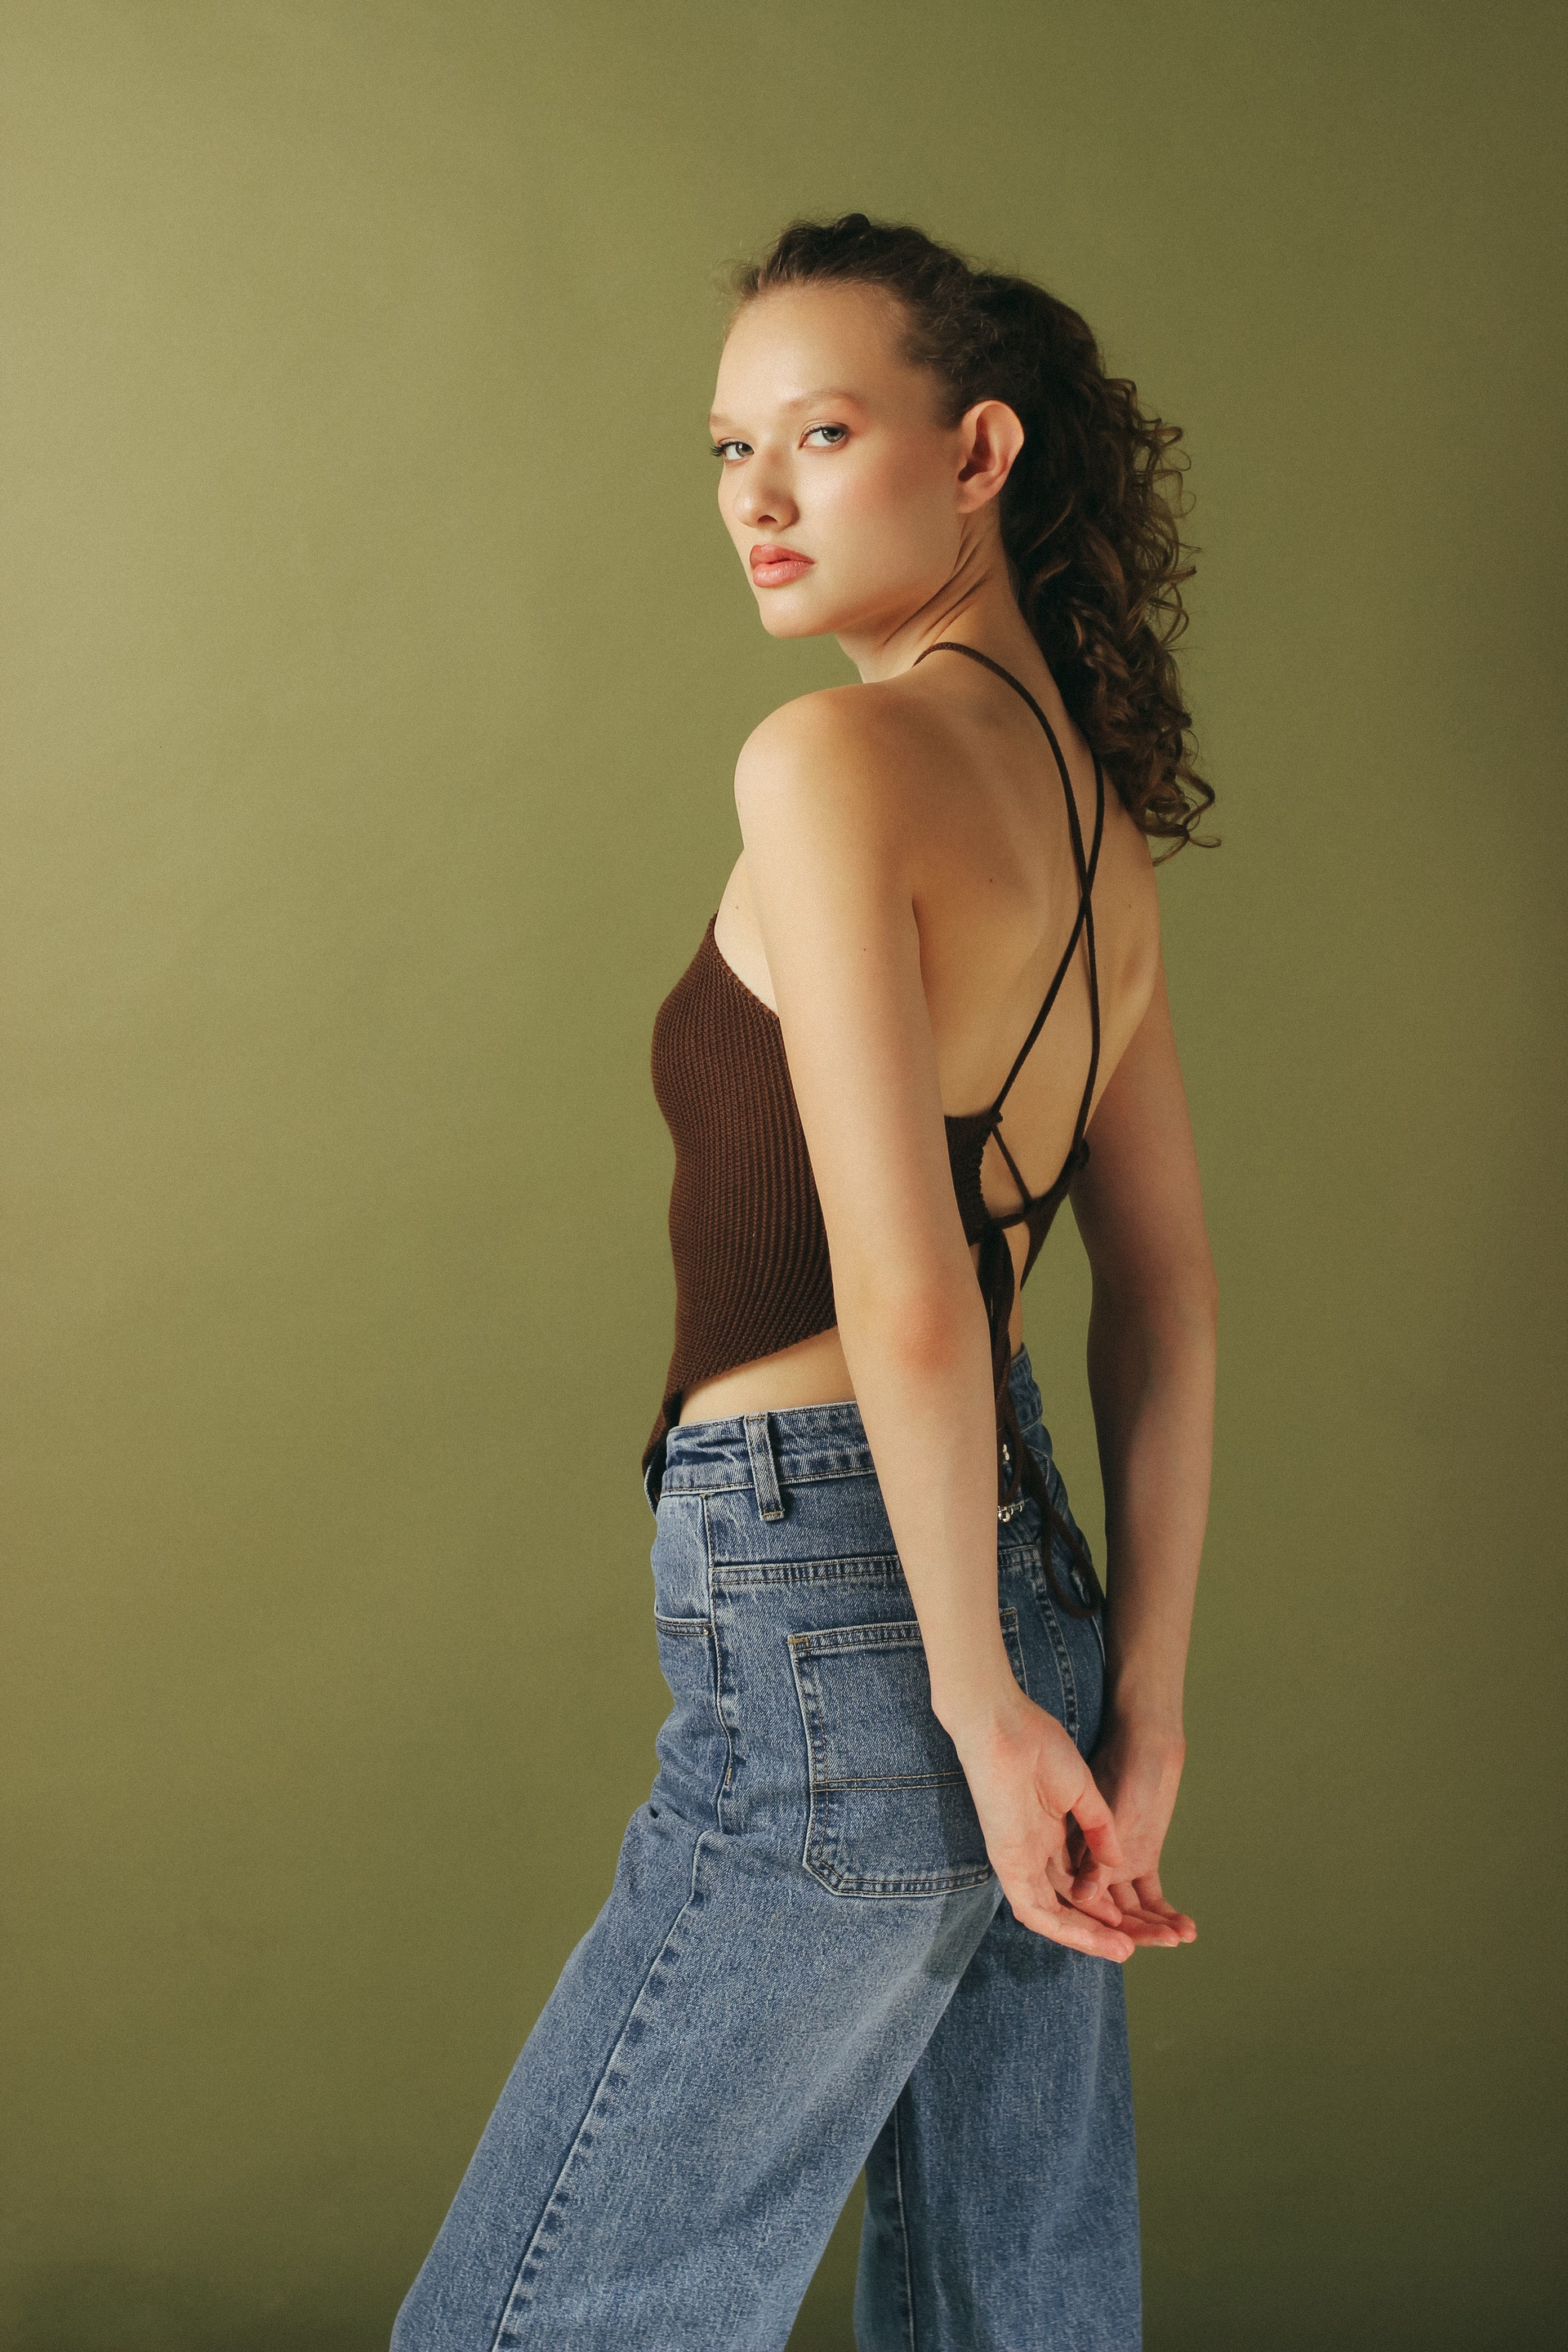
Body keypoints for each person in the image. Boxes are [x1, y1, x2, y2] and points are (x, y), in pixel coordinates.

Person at [392, 212, 1217, 2352]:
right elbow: (1167, 1303)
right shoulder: (1099, 829)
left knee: (557, 2310)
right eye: (728, 448)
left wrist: (967, 1701)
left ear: (979, 455)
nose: (756, 497)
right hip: (1020, 1585)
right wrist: (1125, 1708)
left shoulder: (828, 762)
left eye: (822, 434)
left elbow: (906, 1275)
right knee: (1021, 2305)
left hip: (849, 1596)